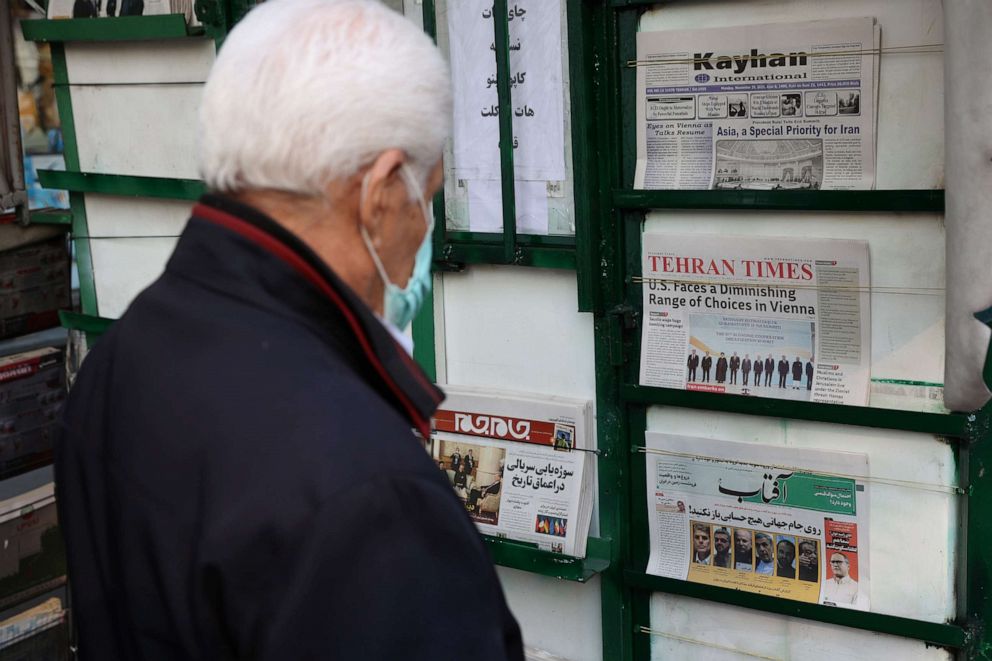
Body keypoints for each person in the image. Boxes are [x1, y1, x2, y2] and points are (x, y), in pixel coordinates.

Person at [53, 2, 523, 659]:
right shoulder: (367, 495)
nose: (423, 225)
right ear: (382, 189)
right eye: (429, 194)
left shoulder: (121, 357)